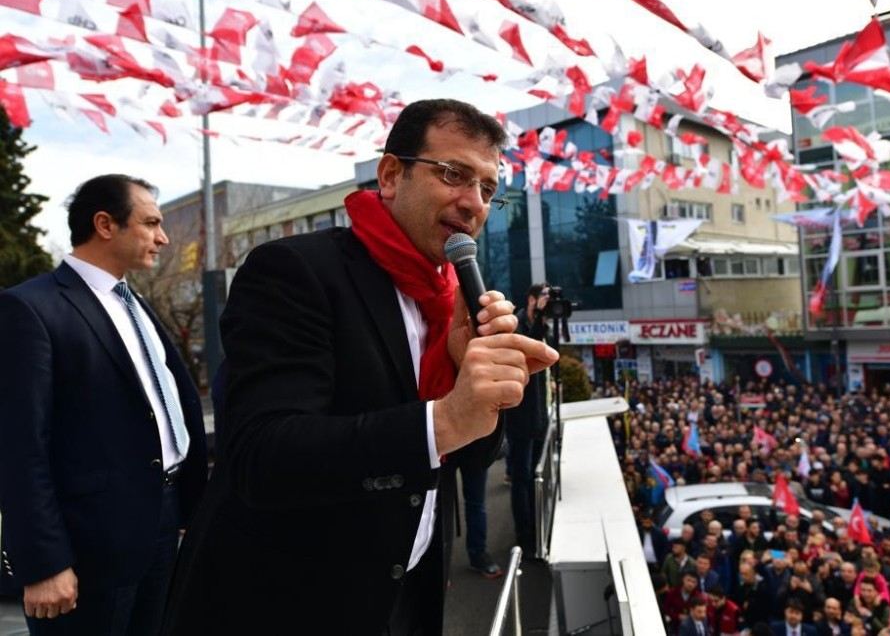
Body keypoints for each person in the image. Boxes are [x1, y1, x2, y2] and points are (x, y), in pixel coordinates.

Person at [160, 99, 558, 635]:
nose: (473, 203)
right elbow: (262, 454)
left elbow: (472, 453)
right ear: (391, 174)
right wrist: (445, 417)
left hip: (405, 593)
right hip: (288, 605)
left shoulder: (450, 299)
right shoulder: (295, 272)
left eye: (488, 189)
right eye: (454, 174)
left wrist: (479, 385)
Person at [0, 174, 208, 635]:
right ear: (105, 224)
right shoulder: (29, 309)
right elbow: (18, 447)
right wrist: (43, 563)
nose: (163, 237)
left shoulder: (137, 304)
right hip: (86, 548)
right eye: (151, 222)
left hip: (162, 527)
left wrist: (189, 511)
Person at [505, 282, 550, 556]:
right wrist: (541, 318)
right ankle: (524, 535)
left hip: (539, 416)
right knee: (520, 479)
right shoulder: (518, 324)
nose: (547, 301)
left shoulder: (542, 324)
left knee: (535, 476)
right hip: (521, 417)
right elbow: (528, 350)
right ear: (531, 299)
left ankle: (536, 526)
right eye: (543, 296)